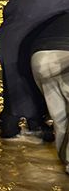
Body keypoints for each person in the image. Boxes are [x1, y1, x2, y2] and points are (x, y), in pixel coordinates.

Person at [0, 0, 69, 138]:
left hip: (6, 39)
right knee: (30, 81)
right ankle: (30, 123)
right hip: (27, 41)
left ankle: (12, 123)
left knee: (12, 80)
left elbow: (8, 12)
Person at [28, 10, 69, 173]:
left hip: (39, 58)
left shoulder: (61, 17)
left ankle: (65, 164)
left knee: (60, 118)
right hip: (64, 56)